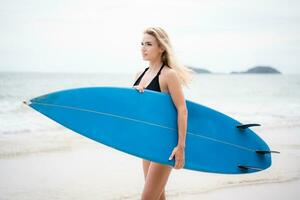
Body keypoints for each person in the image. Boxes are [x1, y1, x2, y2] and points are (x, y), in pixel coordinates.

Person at [133, 27, 191, 200]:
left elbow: (182, 110)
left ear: (161, 47)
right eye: (142, 44)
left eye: (149, 44)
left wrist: (180, 147)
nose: (143, 48)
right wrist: (137, 97)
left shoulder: (168, 75)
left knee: (147, 198)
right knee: (158, 197)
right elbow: (136, 113)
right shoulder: (139, 75)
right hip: (146, 143)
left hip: (164, 144)